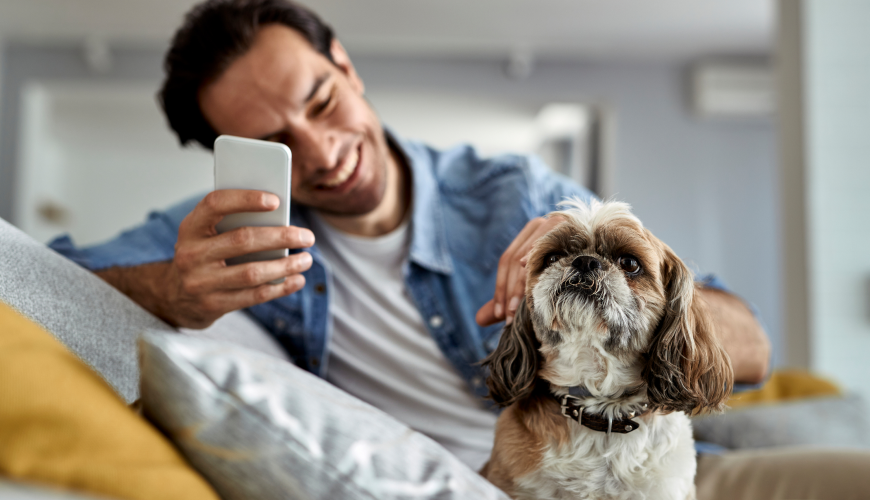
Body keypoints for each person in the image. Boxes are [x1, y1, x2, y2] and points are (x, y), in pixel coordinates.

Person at [49, 0, 870, 497]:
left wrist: (641, 281)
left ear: (347, 65)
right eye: (272, 140)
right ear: (230, 153)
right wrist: (168, 286)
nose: (323, 151)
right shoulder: (227, 240)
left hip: (674, 474)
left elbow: (753, 348)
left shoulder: (514, 194)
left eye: (322, 101)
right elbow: (46, 274)